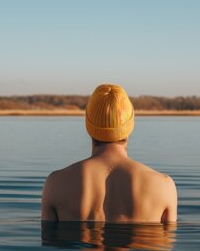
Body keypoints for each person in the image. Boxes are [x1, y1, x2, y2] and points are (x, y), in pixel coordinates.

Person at [41, 84, 177, 223]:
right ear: (130, 126)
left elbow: (48, 240)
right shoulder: (164, 186)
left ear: (88, 126)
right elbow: (168, 241)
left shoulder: (56, 184)